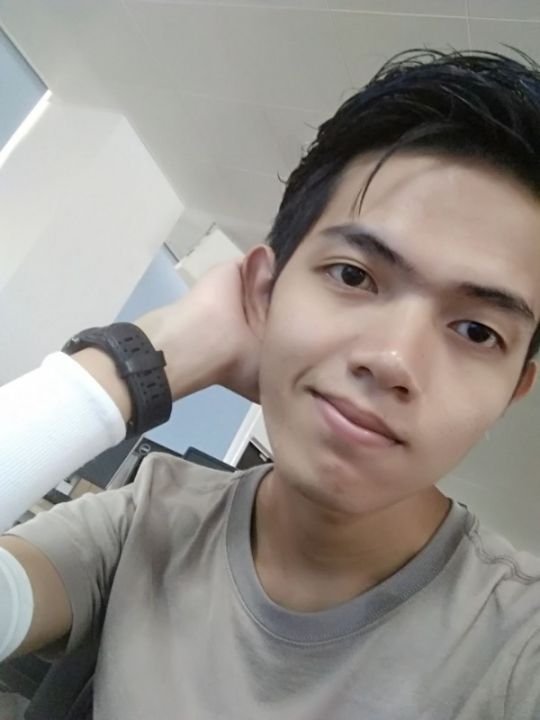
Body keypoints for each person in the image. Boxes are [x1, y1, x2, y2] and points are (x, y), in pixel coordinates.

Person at [1, 47, 540, 719]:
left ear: (511, 392)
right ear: (264, 292)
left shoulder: (515, 647)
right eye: (353, 275)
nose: (393, 359)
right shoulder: (153, 518)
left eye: (477, 331)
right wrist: (145, 360)